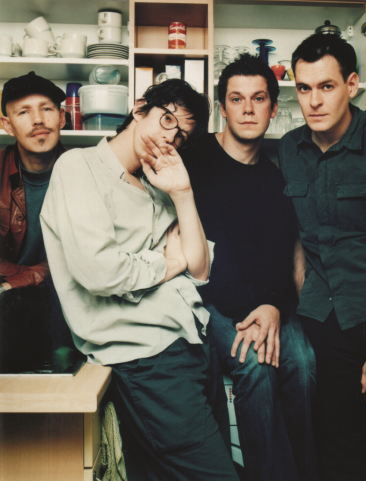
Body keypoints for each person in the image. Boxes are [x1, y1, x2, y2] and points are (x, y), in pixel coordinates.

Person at [40, 79, 240, 481]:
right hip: (148, 358)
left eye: (181, 136)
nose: (170, 139)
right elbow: (102, 271)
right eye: (167, 120)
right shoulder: (78, 166)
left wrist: (183, 192)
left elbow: (200, 269)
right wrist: (168, 262)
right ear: (139, 108)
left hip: (193, 344)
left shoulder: (159, 185)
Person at [181, 54, 318, 481]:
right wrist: (254, 316)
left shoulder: (276, 179)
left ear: (273, 108)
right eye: (236, 99)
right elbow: (212, 259)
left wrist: (273, 307)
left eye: (258, 99)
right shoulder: (194, 156)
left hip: (261, 301)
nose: (247, 109)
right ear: (222, 108)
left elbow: (278, 259)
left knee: (302, 362)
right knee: (255, 364)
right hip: (204, 296)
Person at [279, 33, 366, 481]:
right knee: (338, 454)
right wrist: (303, 288)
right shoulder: (290, 147)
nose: (313, 101)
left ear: (351, 84)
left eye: (326, 86)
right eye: (304, 88)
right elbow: (296, 232)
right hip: (325, 324)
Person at [0, 71, 69, 373]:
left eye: (46, 109)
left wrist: (21, 279)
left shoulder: (86, 171)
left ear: (62, 118)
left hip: (66, 297)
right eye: (24, 112)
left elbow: (87, 255)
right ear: (7, 125)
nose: (38, 120)